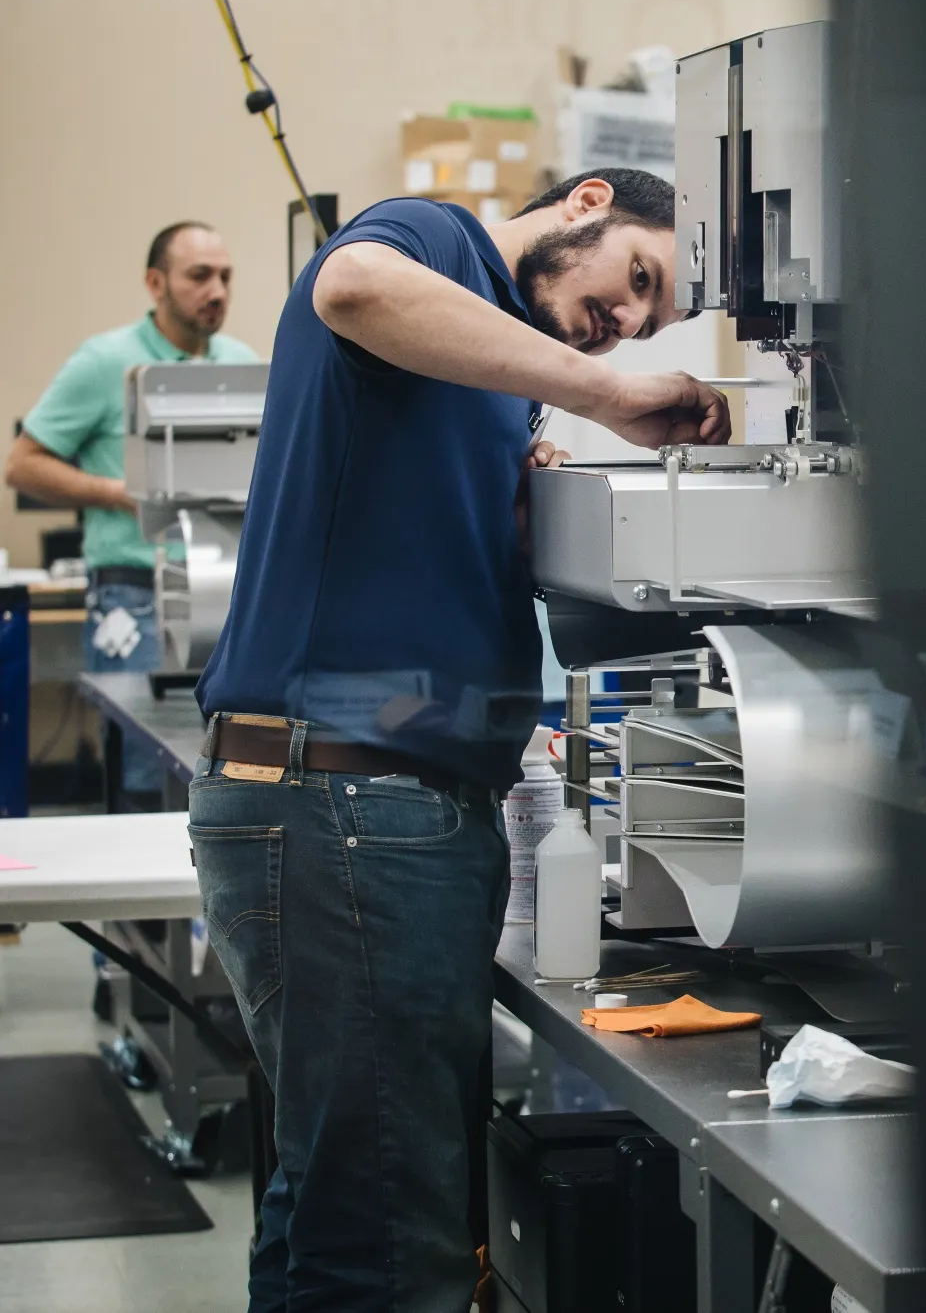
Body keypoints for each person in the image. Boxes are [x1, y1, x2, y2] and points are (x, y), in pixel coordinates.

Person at [189, 169, 727, 1311]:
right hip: (347, 809)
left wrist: (529, 493)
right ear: (585, 202)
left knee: (331, 1214)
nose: (628, 322)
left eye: (651, 318)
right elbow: (352, 284)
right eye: (637, 278)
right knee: (393, 1251)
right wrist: (605, 392)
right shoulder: (436, 242)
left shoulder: (489, 382)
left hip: (368, 804)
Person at [5, 222, 260, 805]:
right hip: (134, 591)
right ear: (156, 283)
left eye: (224, 276)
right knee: (147, 764)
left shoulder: (240, 362)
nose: (216, 290)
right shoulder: (105, 362)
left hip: (223, 590)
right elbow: (22, 465)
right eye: (199, 276)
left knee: (220, 762)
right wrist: (126, 491)